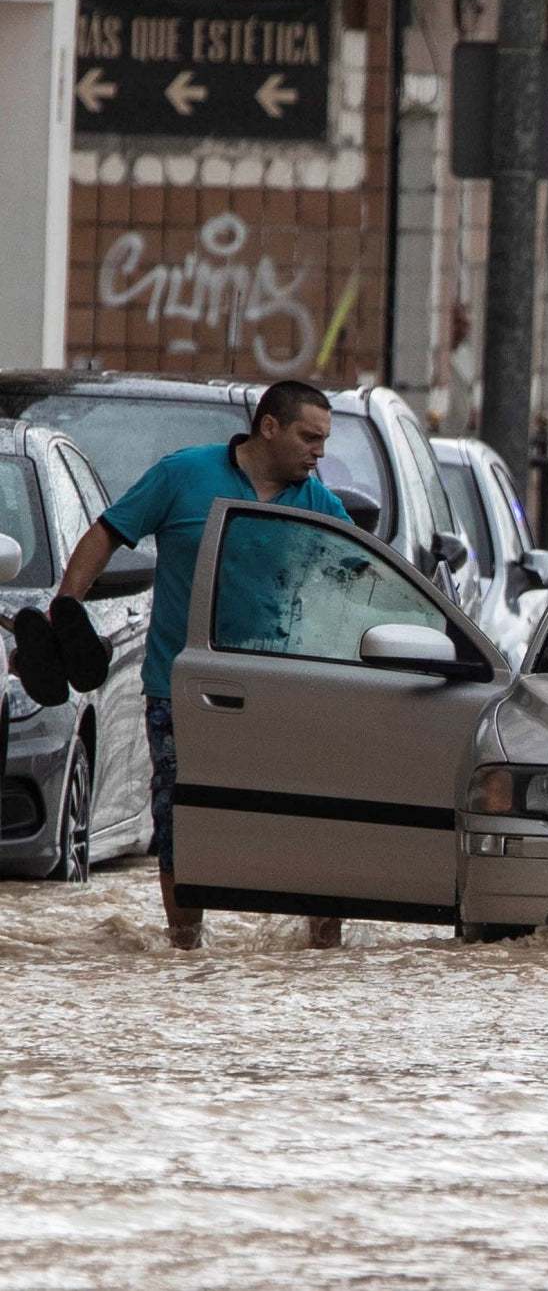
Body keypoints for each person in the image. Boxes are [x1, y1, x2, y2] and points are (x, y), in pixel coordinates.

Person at [51, 381, 354, 949]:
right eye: (310, 438)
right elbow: (106, 535)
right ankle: (186, 948)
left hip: (285, 689)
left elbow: (360, 578)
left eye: (324, 440)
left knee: (310, 818)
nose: (320, 452)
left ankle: (323, 953)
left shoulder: (318, 503)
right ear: (270, 427)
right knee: (180, 818)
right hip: (183, 687)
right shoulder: (183, 474)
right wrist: (65, 609)